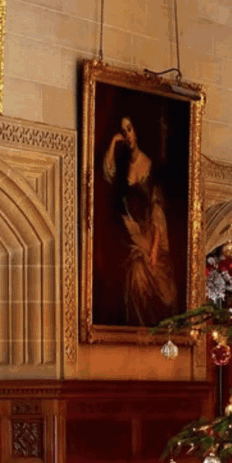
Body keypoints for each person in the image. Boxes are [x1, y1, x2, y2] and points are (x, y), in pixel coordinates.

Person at [102, 116, 178, 326]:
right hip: (129, 234)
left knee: (156, 285)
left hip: (149, 235)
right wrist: (112, 143)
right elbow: (107, 173)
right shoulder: (122, 163)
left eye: (129, 129)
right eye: (123, 131)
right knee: (134, 276)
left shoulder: (150, 166)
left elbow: (157, 213)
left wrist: (153, 250)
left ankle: (154, 333)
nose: (127, 135)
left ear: (137, 131)